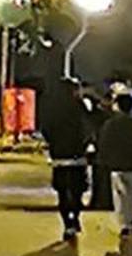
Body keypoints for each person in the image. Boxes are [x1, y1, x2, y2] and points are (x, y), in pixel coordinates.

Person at [35, 75, 94, 245]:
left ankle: (68, 224)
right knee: (77, 190)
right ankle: (74, 217)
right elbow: (88, 127)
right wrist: (87, 144)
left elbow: (45, 129)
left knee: (62, 191)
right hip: (78, 155)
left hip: (59, 156)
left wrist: (53, 142)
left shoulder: (52, 108)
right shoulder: (79, 107)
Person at [97, 91, 132, 243]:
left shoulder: (110, 125)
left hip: (116, 165)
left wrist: (104, 161)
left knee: (120, 196)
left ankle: (124, 225)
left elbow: (103, 144)